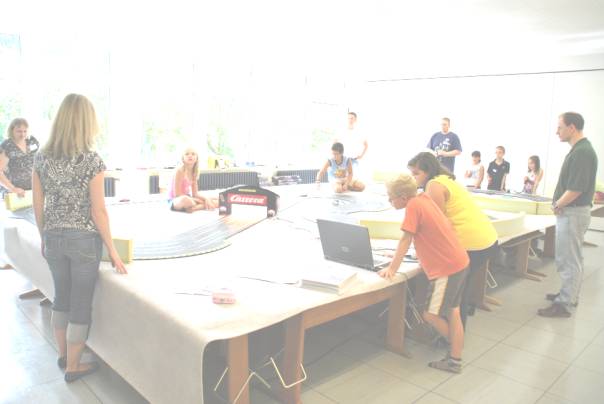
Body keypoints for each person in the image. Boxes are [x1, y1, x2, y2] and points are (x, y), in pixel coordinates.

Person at [32, 94, 127, 383]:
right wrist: (112, 250)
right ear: (87, 122)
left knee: (60, 296)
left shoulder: (41, 157)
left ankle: (63, 355)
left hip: (53, 236)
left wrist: (44, 236)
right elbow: (98, 211)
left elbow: (38, 204)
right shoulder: (92, 160)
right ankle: (74, 366)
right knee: (80, 303)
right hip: (83, 240)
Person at [379, 174, 468, 373]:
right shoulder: (423, 198)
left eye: (390, 197)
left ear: (403, 197)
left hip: (446, 269)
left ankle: (455, 349)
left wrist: (392, 268)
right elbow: (429, 233)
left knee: (430, 315)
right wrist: (399, 255)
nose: (389, 201)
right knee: (453, 311)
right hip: (459, 261)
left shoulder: (413, 206)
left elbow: (406, 238)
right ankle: (455, 358)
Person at [408, 152, 498, 327]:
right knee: (460, 289)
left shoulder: (434, 185)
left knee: (456, 295)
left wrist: (421, 252)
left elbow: (436, 224)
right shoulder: (446, 179)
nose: (413, 178)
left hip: (471, 244)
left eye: (416, 173)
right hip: (486, 239)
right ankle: (456, 331)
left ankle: (453, 335)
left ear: (428, 171)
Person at [538, 112, 598, 318]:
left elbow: (576, 188)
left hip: (573, 213)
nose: (557, 131)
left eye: (560, 127)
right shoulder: (580, 149)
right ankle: (569, 295)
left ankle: (565, 303)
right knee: (573, 258)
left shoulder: (582, 152)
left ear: (572, 128)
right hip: (574, 212)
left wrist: (558, 204)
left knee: (568, 259)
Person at [0, 118, 40, 198]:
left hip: (33, 189)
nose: (22, 134)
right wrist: (13, 188)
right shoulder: (7, 146)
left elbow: (40, 162)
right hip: (15, 193)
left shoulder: (32, 141)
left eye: (25, 131)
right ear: (11, 131)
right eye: (19, 131)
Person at [169, 147, 217, 212]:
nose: (190, 156)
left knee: (215, 198)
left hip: (188, 197)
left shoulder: (194, 172)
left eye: (193, 154)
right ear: (183, 158)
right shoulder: (179, 171)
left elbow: (195, 194)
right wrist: (199, 200)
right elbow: (177, 195)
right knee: (186, 200)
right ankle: (201, 205)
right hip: (175, 200)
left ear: (197, 158)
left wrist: (206, 199)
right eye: (187, 154)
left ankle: (196, 207)